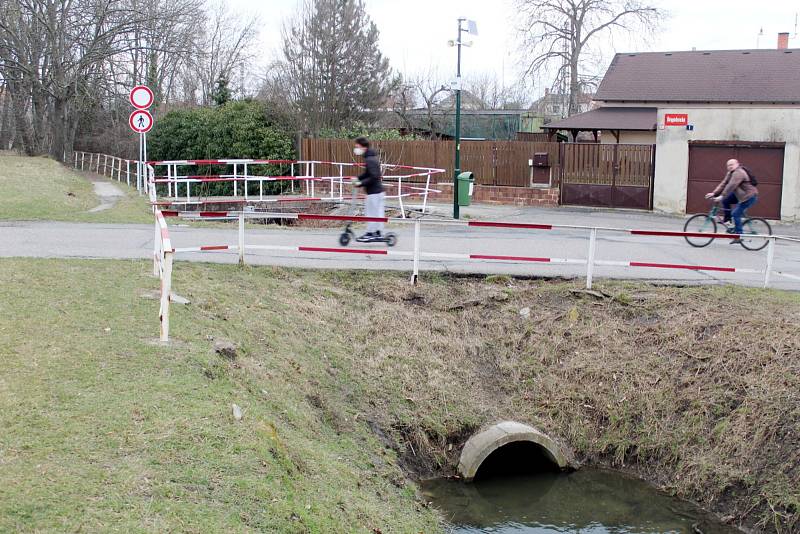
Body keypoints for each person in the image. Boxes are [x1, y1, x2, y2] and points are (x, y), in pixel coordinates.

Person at [705, 159, 758, 244]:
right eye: (728, 165)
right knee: (726, 201)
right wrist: (714, 193)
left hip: (749, 196)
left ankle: (739, 236)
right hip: (740, 195)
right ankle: (728, 222)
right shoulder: (730, 173)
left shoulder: (739, 172)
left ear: (737, 164)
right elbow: (724, 183)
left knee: (735, 213)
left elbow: (731, 185)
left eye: (731, 164)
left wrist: (721, 195)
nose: (729, 166)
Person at [351, 137, 385, 242]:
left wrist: (360, 183)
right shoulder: (370, 158)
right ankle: (376, 232)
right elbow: (368, 173)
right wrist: (358, 178)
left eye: (357, 146)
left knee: (372, 213)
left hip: (374, 192)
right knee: (375, 212)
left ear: (363, 146)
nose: (356, 149)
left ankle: (372, 233)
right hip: (375, 191)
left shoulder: (370, 159)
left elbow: (374, 176)